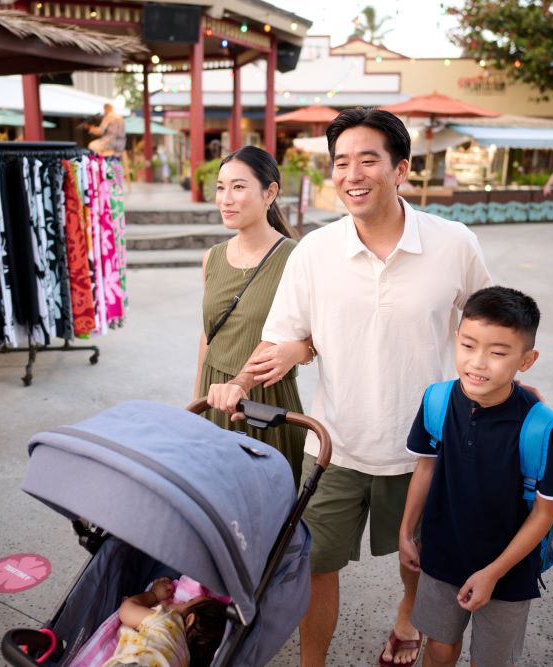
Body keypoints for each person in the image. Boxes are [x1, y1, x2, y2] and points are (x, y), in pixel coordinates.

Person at [207, 108, 492, 666]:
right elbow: (284, 338)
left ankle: (407, 617)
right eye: (341, 162)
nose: (352, 174)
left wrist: (510, 401)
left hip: (424, 448)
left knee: (417, 558)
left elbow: (489, 326)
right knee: (314, 564)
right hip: (334, 443)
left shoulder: (452, 242)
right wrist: (242, 379)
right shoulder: (315, 251)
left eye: (369, 160)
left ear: (400, 169)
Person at [400, 286, 553, 667]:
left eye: (497, 353)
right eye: (469, 346)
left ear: (527, 360)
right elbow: (425, 467)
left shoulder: (542, 428)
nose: (477, 363)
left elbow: (543, 514)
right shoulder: (437, 400)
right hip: (441, 554)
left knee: (491, 660)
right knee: (439, 648)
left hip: (508, 571)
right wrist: (406, 531)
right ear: (456, 341)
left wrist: (493, 573)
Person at [195, 145, 307, 483]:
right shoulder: (211, 258)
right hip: (215, 396)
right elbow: (207, 336)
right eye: (220, 187)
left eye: (239, 187)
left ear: (270, 192)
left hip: (267, 402)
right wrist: (197, 403)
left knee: (272, 513)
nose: (225, 199)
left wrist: (300, 351)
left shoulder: (296, 258)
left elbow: (313, 338)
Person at [98, 576, 227, 667]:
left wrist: (155, 595)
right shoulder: (185, 662)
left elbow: (126, 611)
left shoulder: (168, 623)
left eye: (187, 603)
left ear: (189, 620)